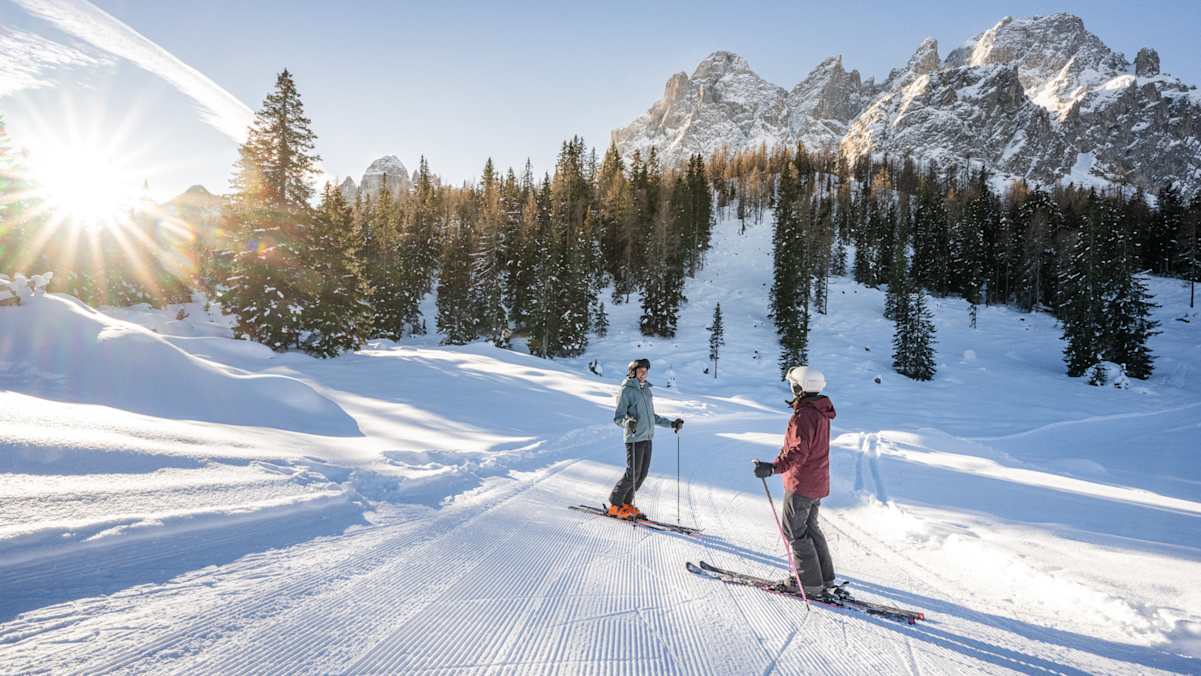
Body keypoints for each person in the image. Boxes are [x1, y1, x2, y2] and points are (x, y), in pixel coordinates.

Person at [753, 366, 837, 597]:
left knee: (795, 531)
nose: (791, 388)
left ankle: (809, 583)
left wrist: (773, 468)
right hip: (816, 481)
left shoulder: (804, 415)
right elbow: (797, 448)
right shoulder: (820, 411)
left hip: (802, 483)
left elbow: (798, 451)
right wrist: (775, 463)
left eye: (793, 384)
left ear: (800, 387)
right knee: (810, 528)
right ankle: (824, 578)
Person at [609, 358, 684, 519]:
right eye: (640, 370)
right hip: (634, 438)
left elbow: (651, 416)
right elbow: (618, 418)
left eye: (646, 371)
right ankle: (615, 505)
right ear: (632, 372)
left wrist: (671, 424)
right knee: (632, 474)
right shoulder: (626, 390)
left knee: (641, 474)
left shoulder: (646, 390)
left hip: (647, 437)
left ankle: (626, 504)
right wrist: (628, 423)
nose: (644, 373)